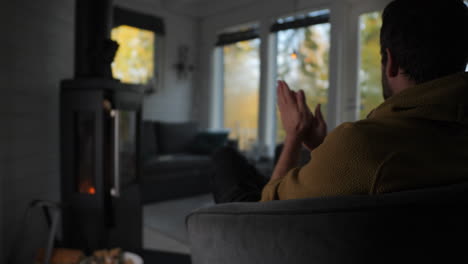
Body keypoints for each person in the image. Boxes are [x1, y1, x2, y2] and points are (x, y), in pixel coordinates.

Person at [212, 0, 468, 203]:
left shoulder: (366, 145)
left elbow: (269, 207)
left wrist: (294, 135)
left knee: (225, 159)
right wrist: (319, 145)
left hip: (258, 231)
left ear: (391, 62)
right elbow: (353, 178)